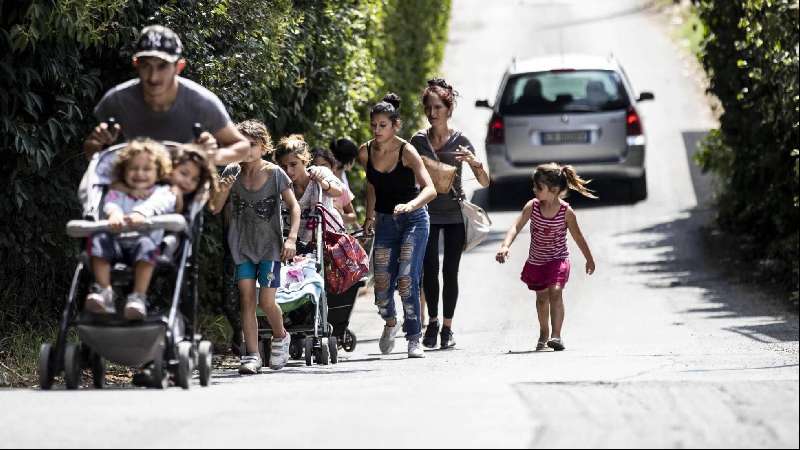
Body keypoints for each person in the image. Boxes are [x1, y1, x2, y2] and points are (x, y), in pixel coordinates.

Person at [83, 25, 249, 166]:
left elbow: (242, 146)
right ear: (136, 64)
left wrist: (212, 156)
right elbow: (92, 154)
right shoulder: (116, 101)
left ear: (179, 67)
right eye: (146, 65)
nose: (153, 77)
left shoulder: (202, 103)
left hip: (184, 195)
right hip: (130, 193)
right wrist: (98, 144)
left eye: (162, 66)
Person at [209, 121, 301, 373]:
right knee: (246, 300)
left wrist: (291, 238)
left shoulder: (275, 174)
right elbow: (215, 207)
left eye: (252, 145)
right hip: (241, 247)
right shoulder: (231, 171)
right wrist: (222, 189)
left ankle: (281, 336)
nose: (246, 150)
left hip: (270, 247)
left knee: (267, 300)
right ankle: (252, 355)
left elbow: (294, 207)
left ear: (263, 147)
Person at [410, 78, 490, 349]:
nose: (432, 113)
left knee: (450, 272)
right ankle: (431, 323)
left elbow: (485, 182)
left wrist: (475, 164)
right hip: (427, 214)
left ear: (448, 108)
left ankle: (447, 327)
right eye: (428, 108)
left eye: (438, 108)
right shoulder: (418, 141)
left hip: (454, 213)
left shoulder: (462, 141)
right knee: (429, 271)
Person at [357, 93, 437, 359]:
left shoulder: (407, 151)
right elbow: (371, 185)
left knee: (406, 279)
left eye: (383, 125)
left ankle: (414, 338)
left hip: (414, 220)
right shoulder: (365, 151)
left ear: (395, 126)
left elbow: (431, 189)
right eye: (374, 125)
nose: (377, 130)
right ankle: (390, 322)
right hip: (385, 223)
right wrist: (369, 217)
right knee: (380, 285)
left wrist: (411, 205)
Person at [495, 163, 597, 351]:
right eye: (534, 186)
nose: (534, 190)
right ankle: (544, 332)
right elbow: (516, 226)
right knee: (542, 299)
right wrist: (505, 246)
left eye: (538, 187)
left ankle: (556, 336)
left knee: (556, 291)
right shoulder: (532, 207)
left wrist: (589, 259)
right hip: (537, 261)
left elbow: (578, 236)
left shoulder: (566, 212)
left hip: (558, 259)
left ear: (554, 190)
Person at [85, 139, 176, 320]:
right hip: (116, 243)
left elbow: (160, 204)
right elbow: (110, 204)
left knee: (146, 245)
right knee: (98, 238)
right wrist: (114, 214)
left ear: (158, 172)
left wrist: (140, 213)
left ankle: (138, 297)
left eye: (146, 169)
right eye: (133, 168)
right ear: (124, 171)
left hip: (144, 244)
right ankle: (105, 291)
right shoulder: (117, 191)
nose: (139, 173)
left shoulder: (163, 192)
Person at [275, 136, 345, 250]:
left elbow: (338, 191)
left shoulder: (320, 172)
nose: (288, 171)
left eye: (293, 164)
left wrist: (322, 182)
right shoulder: (281, 186)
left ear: (304, 161)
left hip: (328, 242)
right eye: (283, 166)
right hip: (297, 246)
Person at [311, 146, 357, 226]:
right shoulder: (305, 187)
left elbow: (353, 216)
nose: (319, 170)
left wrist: (339, 216)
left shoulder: (341, 188)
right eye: (315, 166)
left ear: (333, 167)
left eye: (324, 165)